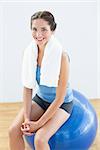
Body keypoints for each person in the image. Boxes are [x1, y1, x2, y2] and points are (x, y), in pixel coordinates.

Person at [9, 11, 74, 150]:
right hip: (41, 99)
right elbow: (27, 87)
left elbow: (60, 98)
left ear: (53, 30)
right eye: (34, 29)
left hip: (61, 104)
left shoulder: (62, 57)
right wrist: (27, 118)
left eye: (44, 29)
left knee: (40, 139)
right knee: (14, 130)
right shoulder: (29, 53)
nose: (38, 34)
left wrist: (38, 124)